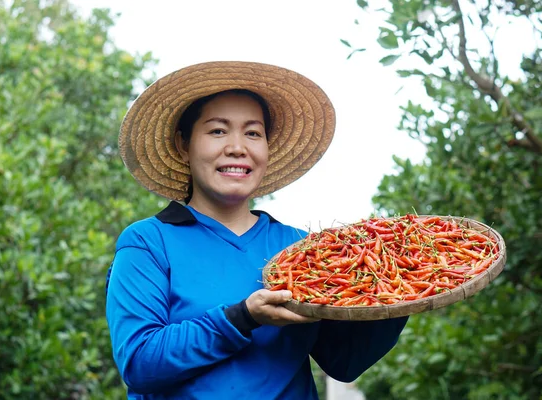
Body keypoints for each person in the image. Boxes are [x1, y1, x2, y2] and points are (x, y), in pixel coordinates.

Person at [105, 61, 408, 400]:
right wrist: (242, 317)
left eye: (253, 133)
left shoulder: (298, 247)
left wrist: (401, 295)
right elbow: (139, 363)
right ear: (183, 143)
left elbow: (344, 361)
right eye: (217, 131)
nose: (238, 147)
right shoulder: (148, 243)